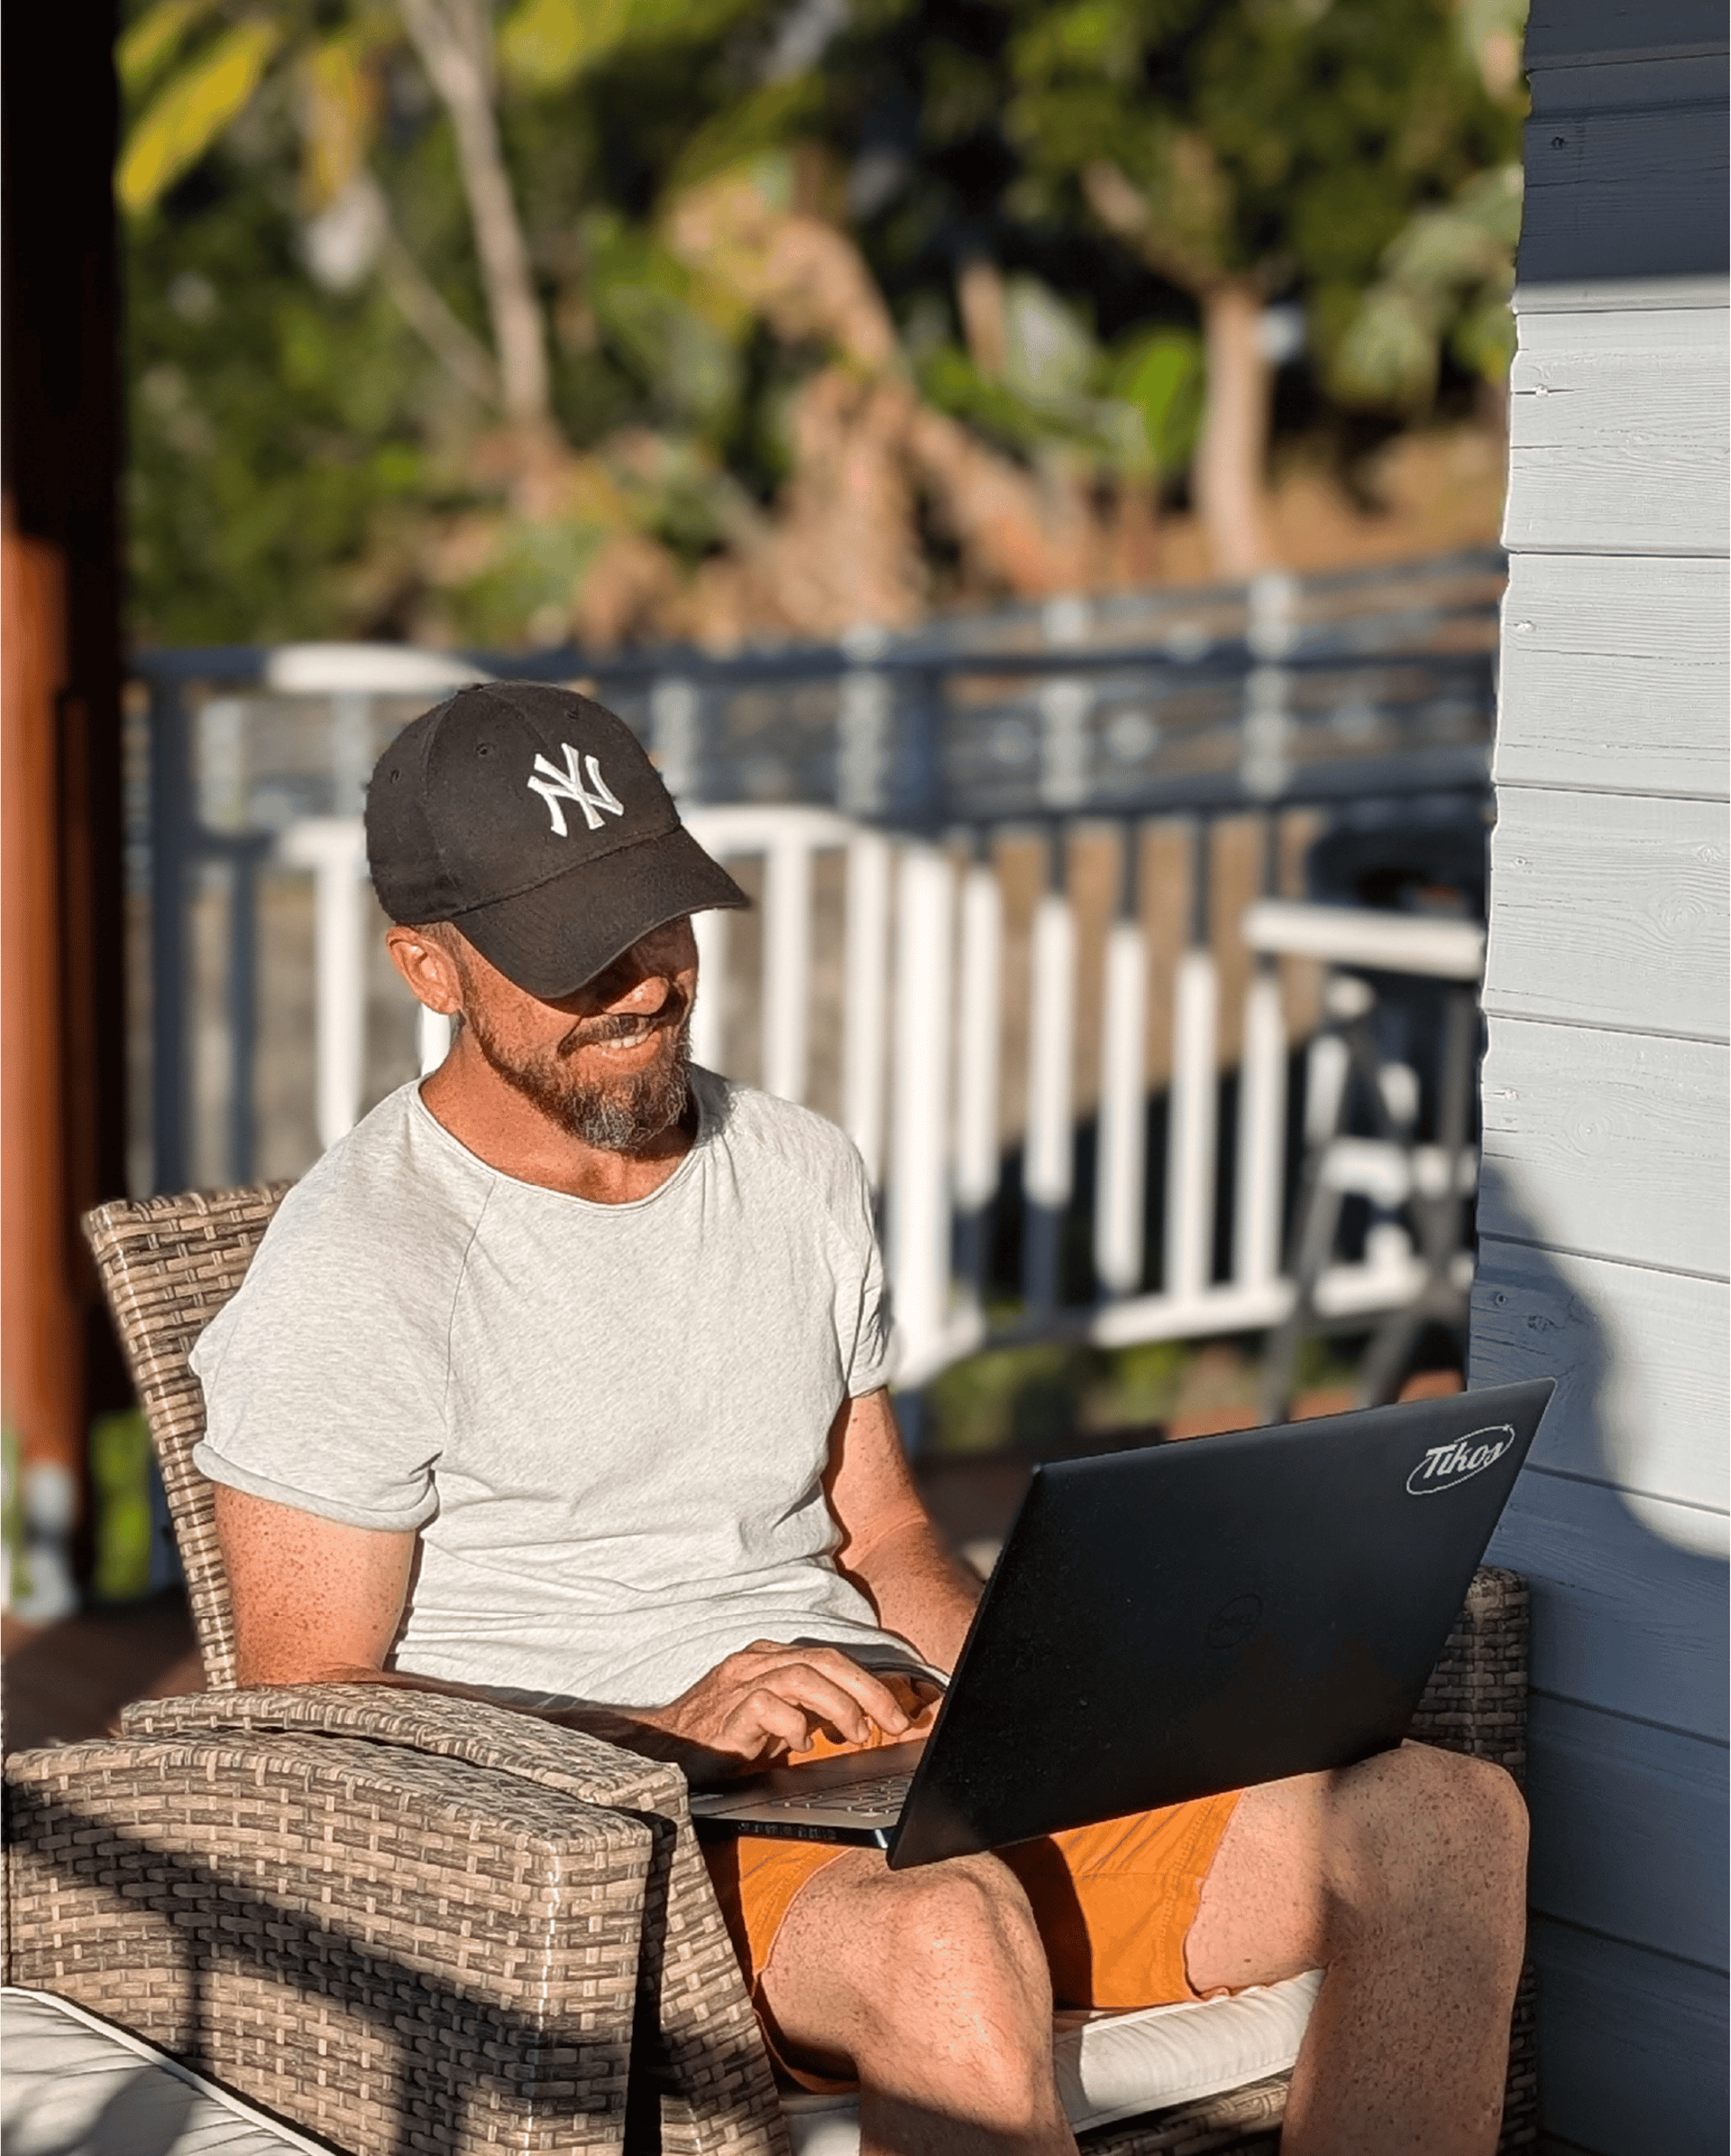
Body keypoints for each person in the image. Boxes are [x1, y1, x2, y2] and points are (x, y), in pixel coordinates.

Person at [193, 682, 1527, 2156]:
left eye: (659, 920)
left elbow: (882, 1525)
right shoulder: (359, 1263)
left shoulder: (800, 1166)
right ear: (428, 967)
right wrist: (659, 1731)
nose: (643, 983)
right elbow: (302, 1693)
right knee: (950, 1935)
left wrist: (1035, 1703)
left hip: (898, 1777)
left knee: (1442, 1825)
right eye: (576, 957)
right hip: (624, 1845)